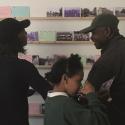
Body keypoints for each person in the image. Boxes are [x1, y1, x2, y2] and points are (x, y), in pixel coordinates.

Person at [0, 18, 52, 125]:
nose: (26, 33)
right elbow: (48, 93)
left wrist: (21, 91)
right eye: (22, 30)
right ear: (15, 36)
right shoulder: (24, 67)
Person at [80, 13, 125, 125]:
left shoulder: (107, 60)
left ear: (107, 32)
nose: (91, 37)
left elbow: (88, 92)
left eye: (94, 33)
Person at [44, 54, 110, 125]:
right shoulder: (67, 105)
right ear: (65, 78)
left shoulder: (50, 100)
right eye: (78, 81)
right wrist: (91, 95)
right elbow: (101, 121)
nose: (81, 86)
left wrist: (91, 99)